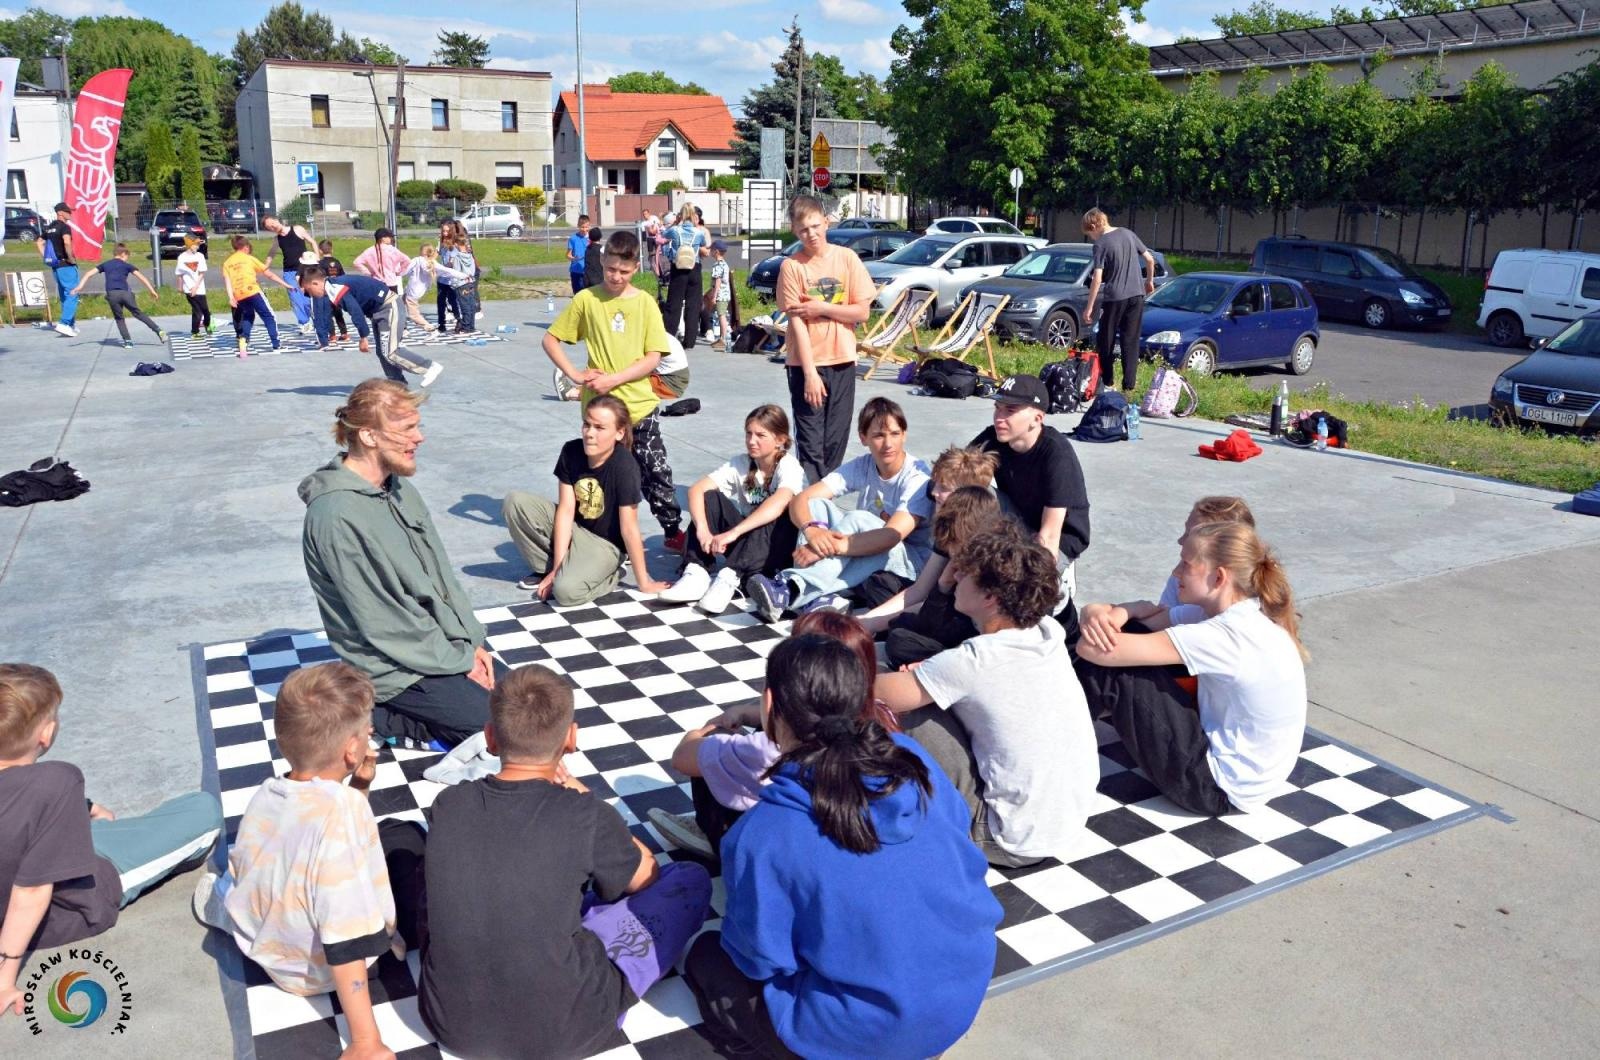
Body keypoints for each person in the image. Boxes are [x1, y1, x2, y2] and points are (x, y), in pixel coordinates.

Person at [682, 635, 1000, 1059]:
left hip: (864, 1035)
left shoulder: (763, 835)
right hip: (962, 995)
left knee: (705, 956)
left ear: (770, 704)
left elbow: (759, 959)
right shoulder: (913, 760)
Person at [419, 665, 711, 1059]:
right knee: (688, 879)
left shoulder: (448, 804)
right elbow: (646, 878)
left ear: (489, 737)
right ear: (571, 738)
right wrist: (583, 794)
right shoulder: (586, 814)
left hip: (451, 1024)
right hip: (564, 1029)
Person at [191, 663, 421, 1060]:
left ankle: (226, 908)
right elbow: (345, 927)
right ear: (352, 750)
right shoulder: (344, 811)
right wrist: (365, 1040)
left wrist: (359, 784)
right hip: (319, 971)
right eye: (367, 730)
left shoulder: (268, 792)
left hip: (267, 946)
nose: (371, 734)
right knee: (408, 845)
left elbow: (320, 835)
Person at [0, 663, 222, 1015]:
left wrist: (85, 807)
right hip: (79, 897)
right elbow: (30, 891)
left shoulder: (49, 787)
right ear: (47, 733)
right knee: (203, 810)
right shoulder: (57, 781)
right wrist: (5, 974)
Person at [874, 521, 1099, 868]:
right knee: (934, 695)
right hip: (1064, 826)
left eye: (965, 573)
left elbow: (876, 693)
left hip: (1005, 838)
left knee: (897, 705)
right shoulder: (1048, 632)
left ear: (990, 597)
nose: (956, 575)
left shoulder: (975, 661)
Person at [300, 379, 502, 750]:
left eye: (417, 426)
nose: (419, 438)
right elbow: (384, 624)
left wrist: (471, 642)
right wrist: (460, 661)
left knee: (531, 705)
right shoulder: (336, 516)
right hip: (392, 667)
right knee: (504, 732)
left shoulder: (398, 488)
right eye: (407, 429)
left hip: (436, 646)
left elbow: (441, 580)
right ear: (369, 436)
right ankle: (374, 716)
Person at [1075, 522, 1308, 816]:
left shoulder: (1225, 635)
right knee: (1125, 639)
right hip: (1247, 780)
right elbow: (1138, 623)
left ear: (1218, 577)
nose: (1175, 573)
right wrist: (1105, 611)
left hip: (1216, 788)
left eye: (1185, 564)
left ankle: (1050, 752)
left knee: (1110, 669)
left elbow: (1090, 648)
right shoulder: (1236, 615)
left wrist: (1097, 618)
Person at [649, 611, 885, 860]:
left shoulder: (762, 749)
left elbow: (682, 759)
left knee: (717, 739)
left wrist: (701, 733)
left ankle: (711, 832)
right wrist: (744, 712)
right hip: (847, 845)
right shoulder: (880, 729)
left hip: (771, 851)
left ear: (771, 697)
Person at [541, 230, 684, 548]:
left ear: (636, 268)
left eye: (624, 271)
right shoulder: (586, 300)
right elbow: (550, 340)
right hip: (600, 413)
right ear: (602, 261)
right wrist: (575, 375)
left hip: (639, 407)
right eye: (610, 269)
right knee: (605, 480)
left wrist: (614, 379)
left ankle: (673, 531)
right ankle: (604, 540)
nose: (616, 276)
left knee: (656, 471)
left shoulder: (645, 303)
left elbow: (653, 357)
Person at [749, 397, 932, 622]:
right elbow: (801, 500)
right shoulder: (863, 465)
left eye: (895, 434)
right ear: (863, 438)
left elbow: (891, 536)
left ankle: (791, 588)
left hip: (911, 564)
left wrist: (828, 547)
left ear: (904, 435)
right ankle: (816, 598)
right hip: (866, 550)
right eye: (878, 435)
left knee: (859, 519)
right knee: (816, 506)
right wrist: (811, 530)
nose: (888, 444)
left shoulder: (917, 477)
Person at [502, 395, 669, 605]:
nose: (590, 433)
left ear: (619, 433)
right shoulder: (571, 451)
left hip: (605, 545)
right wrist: (556, 568)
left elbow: (629, 528)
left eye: (600, 428)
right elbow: (565, 511)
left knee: (565, 593)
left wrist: (644, 582)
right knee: (515, 502)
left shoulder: (625, 466)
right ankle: (550, 568)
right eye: (586, 424)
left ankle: (612, 573)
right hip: (577, 529)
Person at [970, 373, 1091, 632]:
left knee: (1018, 594)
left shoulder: (1056, 453)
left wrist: (1033, 579)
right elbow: (952, 474)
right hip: (1018, 521)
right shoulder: (994, 438)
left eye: (1010, 410)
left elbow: (1050, 535)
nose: (999, 417)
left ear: (1037, 418)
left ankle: (1059, 586)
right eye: (997, 408)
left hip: (1060, 535)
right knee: (973, 496)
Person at [657, 405, 805, 615]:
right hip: (747, 544)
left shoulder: (789, 466)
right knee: (709, 497)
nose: (751, 441)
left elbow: (779, 503)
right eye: (748, 433)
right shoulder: (741, 463)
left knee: (778, 510)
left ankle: (730, 576)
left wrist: (733, 533)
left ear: (780, 440)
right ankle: (697, 571)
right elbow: (697, 490)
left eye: (760, 435)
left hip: (775, 547)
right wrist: (703, 530)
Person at [778, 195, 876, 483]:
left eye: (815, 226)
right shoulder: (792, 267)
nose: (811, 234)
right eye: (803, 230)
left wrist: (821, 308)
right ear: (795, 231)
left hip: (842, 361)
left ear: (826, 222)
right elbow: (797, 321)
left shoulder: (846, 259)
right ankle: (810, 499)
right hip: (806, 365)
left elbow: (862, 312)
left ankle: (823, 495)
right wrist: (810, 374)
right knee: (811, 442)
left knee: (835, 440)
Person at [1079, 495, 1256, 644]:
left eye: (1192, 534)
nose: (1180, 540)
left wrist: (1124, 614)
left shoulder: (1234, 626)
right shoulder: (1192, 599)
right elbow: (1156, 617)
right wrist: (1095, 610)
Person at [862, 485, 1003, 668]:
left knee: (899, 640)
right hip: (943, 615)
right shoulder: (953, 537)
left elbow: (971, 630)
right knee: (881, 584)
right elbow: (922, 593)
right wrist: (943, 586)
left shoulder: (993, 567)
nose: (934, 492)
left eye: (943, 486)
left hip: (967, 640)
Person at [300, 266, 443, 388]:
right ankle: (398, 386)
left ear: (315, 283)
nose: (310, 295)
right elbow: (323, 314)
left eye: (309, 291)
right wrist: (323, 337)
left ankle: (429, 367)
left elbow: (355, 311)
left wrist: (363, 336)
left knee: (390, 352)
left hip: (389, 306)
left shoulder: (336, 287)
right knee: (382, 353)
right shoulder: (331, 287)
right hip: (377, 312)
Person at [1081, 207, 1158, 393]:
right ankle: (1129, 385)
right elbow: (1150, 260)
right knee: (1130, 340)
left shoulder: (1100, 244)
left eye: (1089, 234)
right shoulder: (1128, 233)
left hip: (1115, 297)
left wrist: (1089, 307)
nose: (1091, 238)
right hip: (1137, 295)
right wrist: (1149, 281)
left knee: (1105, 339)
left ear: (1094, 226)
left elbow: (1097, 278)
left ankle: (1108, 382)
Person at [70, 243, 168, 348]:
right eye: (127, 257)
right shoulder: (127, 265)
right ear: (123, 254)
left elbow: (88, 274)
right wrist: (152, 291)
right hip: (126, 294)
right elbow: (142, 278)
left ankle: (128, 341)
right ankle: (158, 330)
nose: (126, 260)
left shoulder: (106, 264)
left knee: (119, 318)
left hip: (112, 295)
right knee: (138, 313)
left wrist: (79, 287)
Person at [222, 235, 294, 357]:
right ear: (246, 247)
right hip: (253, 291)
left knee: (248, 315)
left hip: (239, 295)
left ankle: (243, 339)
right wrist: (286, 284)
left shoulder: (227, 263)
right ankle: (276, 345)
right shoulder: (249, 258)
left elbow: (227, 281)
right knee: (269, 316)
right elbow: (269, 274)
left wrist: (231, 297)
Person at [262, 215, 318, 333]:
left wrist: (317, 258)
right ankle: (304, 322)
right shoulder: (277, 239)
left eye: (272, 224)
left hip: (304, 269)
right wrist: (264, 266)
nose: (273, 227)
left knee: (306, 299)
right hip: (289, 272)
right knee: (295, 298)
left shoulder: (297, 229)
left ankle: (314, 319)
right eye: (269, 227)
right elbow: (271, 253)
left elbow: (312, 242)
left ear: (277, 220)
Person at [663, 208, 708, 350]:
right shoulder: (698, 232)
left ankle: (669, 337)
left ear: (681, 216)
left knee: (674, 304)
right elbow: (703, 244)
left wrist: (675, 223)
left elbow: (664, 234)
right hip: (694, 267)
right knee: (693, 305)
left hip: (678, 268)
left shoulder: (675, 230)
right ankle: (689, 341)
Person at [399, 244, 467, 334]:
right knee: (399, 303)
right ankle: (402, 327)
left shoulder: (417, 260)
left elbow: (405, 270)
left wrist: (396, 273)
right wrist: (464, 276)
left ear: (421, 252)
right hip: (417, 291)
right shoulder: (433, 263)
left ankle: (429, 328)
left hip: (412, 292)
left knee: (414, 314)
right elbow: (448, 271)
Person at [33, 202, 79, 337]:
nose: (70, 213)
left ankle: (70, 324)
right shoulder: (64, 227)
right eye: (68, 211)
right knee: (73, 293)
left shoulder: (50, 228)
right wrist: (71, 258)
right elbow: (67, 242)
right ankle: (64, 323)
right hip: (66, 264)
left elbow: (39, 242)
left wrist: (47, 258)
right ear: (60, 213)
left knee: (65, 295)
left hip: (56, 266)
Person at [440, 222, 479, 333]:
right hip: (470, 282)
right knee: (471, 305)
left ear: (456, 244)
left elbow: (456, 271)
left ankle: (465, 327)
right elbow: (473, 270)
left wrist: (453, 282)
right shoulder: (469, 255)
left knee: (464, 306)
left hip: (461, 285)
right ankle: (471, 326)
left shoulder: (457, 257)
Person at [352, 228, 411, 298]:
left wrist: (369, 272)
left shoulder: (370, 250)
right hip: (391, 282)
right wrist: (399, 272)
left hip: (376, 282)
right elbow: (407, 260)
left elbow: (356, 262)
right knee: (391, 302)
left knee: (378, 302)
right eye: (389, 237)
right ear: (382, 238)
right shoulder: (392, 250)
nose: (391, 239)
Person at [177, 236, 213, 339]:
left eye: (198, 245)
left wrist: (195, 287)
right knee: (197, 311)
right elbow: (179, 274)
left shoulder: (200, 256)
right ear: (189, 245)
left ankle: (207, 324)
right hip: (188, 289)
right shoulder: (182, 257)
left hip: (199, 288)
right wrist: (180, 288)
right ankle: (195, 332)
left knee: (205, 310)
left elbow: (201, 273)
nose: (198, 246)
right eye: (196, 245)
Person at [317, 239, 351, 343]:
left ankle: (332, 335)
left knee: (327, 313)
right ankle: (344, 333)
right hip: (337, 290)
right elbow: (343, 275)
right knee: (338, 312)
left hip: (326, 291)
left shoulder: (320, 264)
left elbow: (319, 277)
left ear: (320, 251)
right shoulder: (337, 262)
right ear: (332, 250)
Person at [707, 239, 732, 350]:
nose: (710, 252)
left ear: (716, 251)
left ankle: (723, 339)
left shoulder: (717, 265)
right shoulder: (724, 264)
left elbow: (718, 281)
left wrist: (714, 295)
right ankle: (722, 338)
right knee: (721, 314)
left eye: (711, 250)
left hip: (721, 294)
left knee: (721, 315)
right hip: (725, 293)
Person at [566, 214, 592, 294]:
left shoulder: (592, 238)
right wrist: (573, 258)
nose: (584, 229)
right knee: (577, 294)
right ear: (578, 226)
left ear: (589, 226)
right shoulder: (573, 238)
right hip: (576, 271)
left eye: (586, 227)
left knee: (588, 294)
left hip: (588, 271)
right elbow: (568, 255)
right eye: (582, 227)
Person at [583, 225, 605, 290]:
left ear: (589, 237)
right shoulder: (602, 249)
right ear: (600, 237)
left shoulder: (587, 249)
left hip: (587, 278)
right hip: (599, 278)